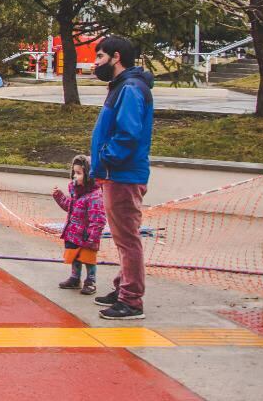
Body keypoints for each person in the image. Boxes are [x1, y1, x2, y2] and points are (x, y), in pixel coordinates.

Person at [88, 34, 155, 320]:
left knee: (127, 239)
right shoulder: (122, 86)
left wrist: (106, 157)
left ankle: (131, 300)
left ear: (116, 57)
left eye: (100, 57)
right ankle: (123, 286)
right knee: (122, 237)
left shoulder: (129, 88)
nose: (96, 63)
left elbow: (128, 133)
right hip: (116, 173)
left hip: (123, 174)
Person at [52, 154, 105, 295]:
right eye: (74, 173)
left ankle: (90, 281)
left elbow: (98, 218)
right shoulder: (76, 192)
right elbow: (69, 206)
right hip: (73, 232)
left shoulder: (95, 196)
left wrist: (93, 236)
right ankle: (75, 278)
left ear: (89, 175)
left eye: (79, 173)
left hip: (87, 235)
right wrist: (59, 196)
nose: (75, 176)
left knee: (88, 258)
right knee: (74, 256)